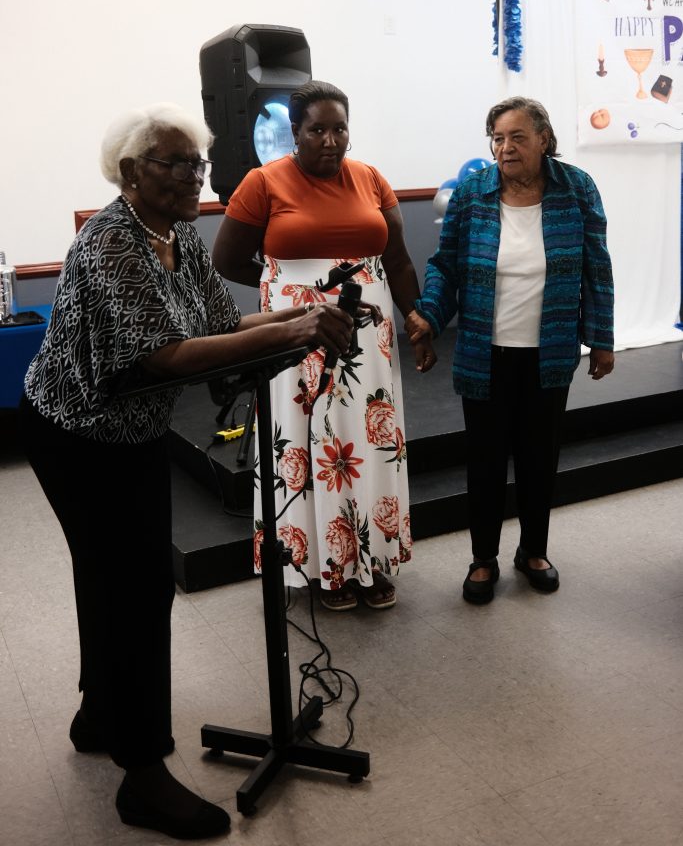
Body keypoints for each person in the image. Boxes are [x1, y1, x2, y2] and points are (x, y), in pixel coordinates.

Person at [18, 102, 355, 841]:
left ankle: (100, 715)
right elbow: (165, 356)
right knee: (136, 589)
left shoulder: (178, 233)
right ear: (130, 172)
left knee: (111, 577)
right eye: (174, 163)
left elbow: (219, 326)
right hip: (76, 433)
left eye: (196, 164)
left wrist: (302, 315)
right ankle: (142, 776)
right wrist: (295, 326)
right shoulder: (111, 243)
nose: (192, 177)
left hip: (130, 427)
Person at [212, 80, 435, 612]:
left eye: (339, 129)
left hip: (369, 341)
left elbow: (397, 260)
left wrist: (414, 314)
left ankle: (370, 561)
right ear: (295, 132)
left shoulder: (371, 178)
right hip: (297, 336)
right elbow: (227, 259)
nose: (330, 140)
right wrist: (289, 291)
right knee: (306, 444)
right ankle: (323, 567)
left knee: (366, 443)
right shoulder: (263, 182)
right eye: (317, 130)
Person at [405, 96, 614, 604]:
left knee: (540, 457)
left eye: (517, 137)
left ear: (544, 139)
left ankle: (533, 551)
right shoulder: (473, 193)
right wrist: (429, 314)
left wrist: (602, 338)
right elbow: (445, 265)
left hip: (550, 349)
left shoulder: (576, 188)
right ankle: (483, 558)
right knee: (485, 459)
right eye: (497, 138)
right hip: (485, 352)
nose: (505, 148)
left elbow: (597, 265)